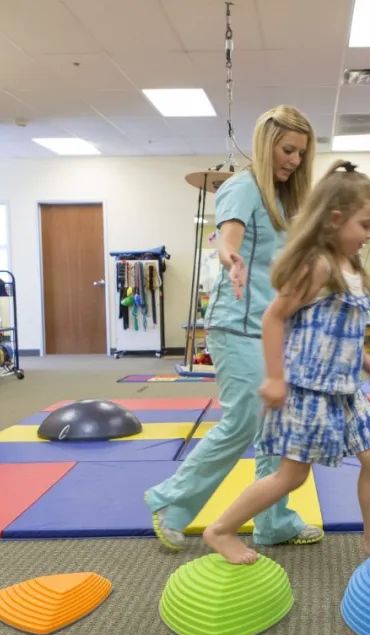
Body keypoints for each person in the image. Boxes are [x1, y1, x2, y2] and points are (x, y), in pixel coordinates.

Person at [203, 161, 370, 565]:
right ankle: (220, 529)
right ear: (335, 219)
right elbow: (274, 318)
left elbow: (334, 332)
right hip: (308, 390)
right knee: (291, 476)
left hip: (345, 389)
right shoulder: (318, 265)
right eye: (365, 224)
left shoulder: (351, 266)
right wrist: (274, 378)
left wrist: (365, 359)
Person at [144, 106, 324, 550]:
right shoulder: (243, 188)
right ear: (266, 145)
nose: (294, 160)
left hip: (277, 328)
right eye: (287, 150)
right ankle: (172, 503)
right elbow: (229, 237)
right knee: (244, 420)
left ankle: (273, 522)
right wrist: (229, 257)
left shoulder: (288, 200)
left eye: (301, 153)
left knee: (278, 428)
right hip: (238, 324)